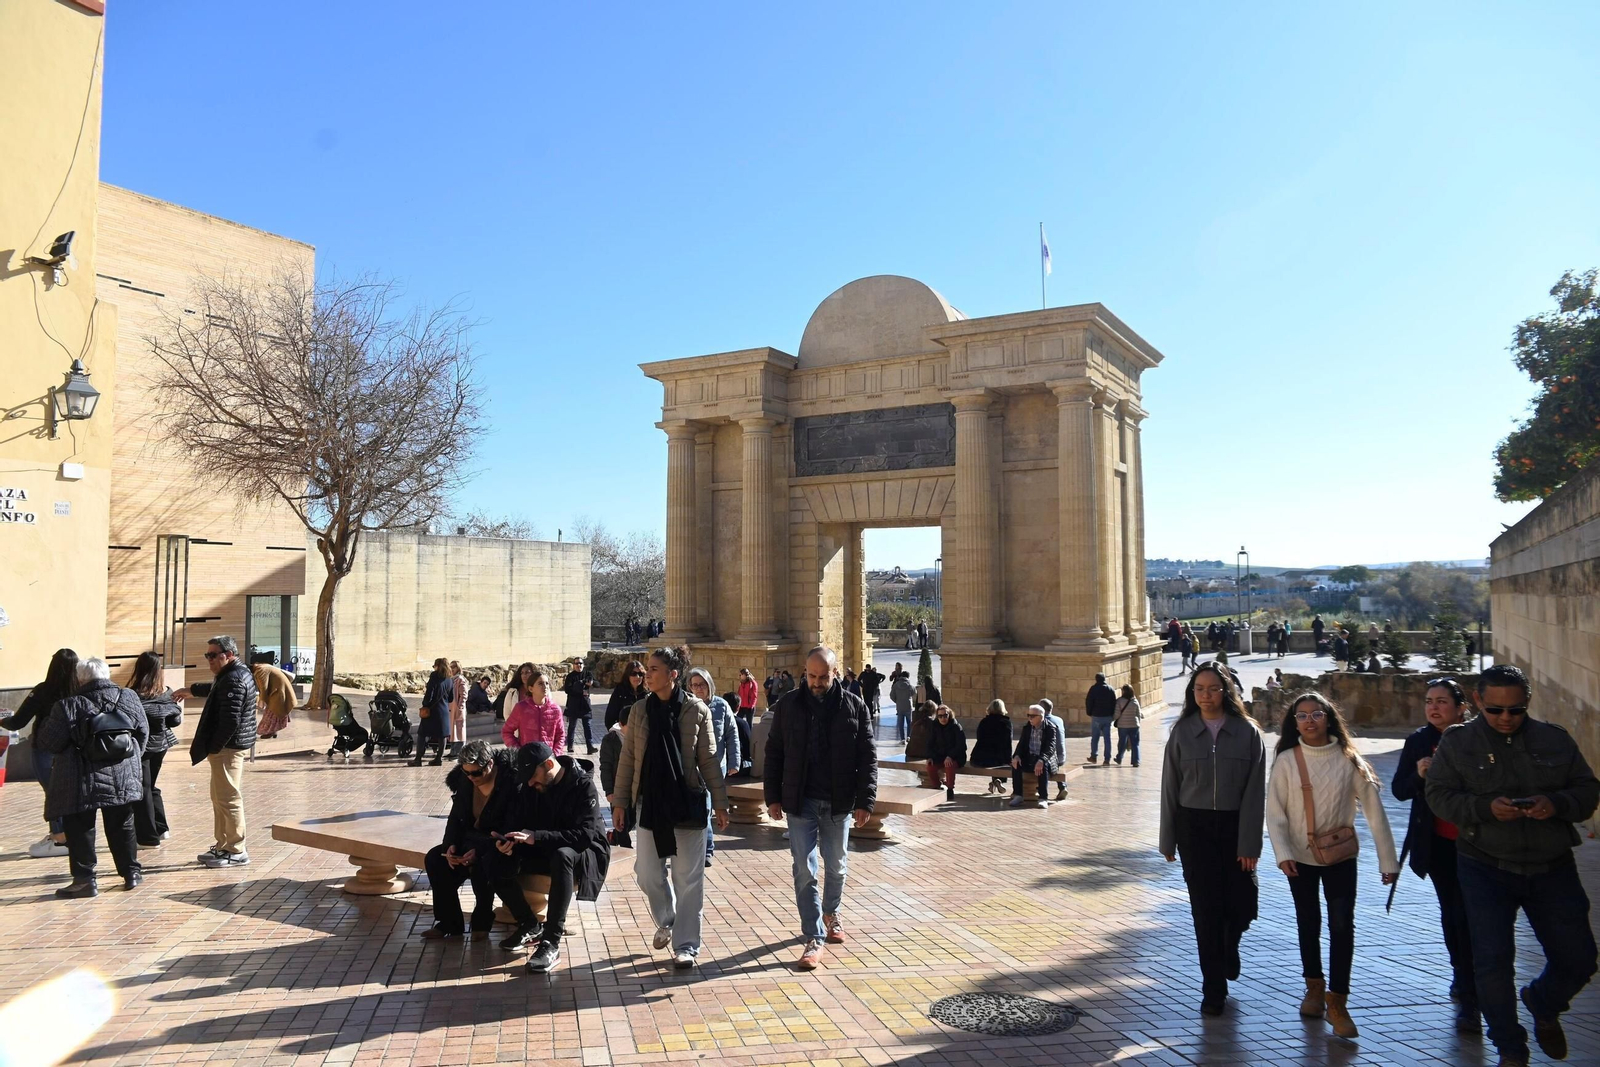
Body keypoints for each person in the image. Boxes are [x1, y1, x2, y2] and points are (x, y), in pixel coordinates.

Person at [1426, 663, 1600, 1067]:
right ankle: (1510, 1047)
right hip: (1485, 865)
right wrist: (1485, 809)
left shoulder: (1553, 740)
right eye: (1496, 710)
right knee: (1492, 961)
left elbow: (1587, 791)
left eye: (1516, 710)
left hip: (1551, 864)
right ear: (1478, 702)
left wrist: (1554, 804)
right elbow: (1439, 795)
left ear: (1527, 704)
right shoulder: (1458, 744)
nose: (1506, 718)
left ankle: (1542, 1001)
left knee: (1579, 958)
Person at [1266, 692, 1400, 1039]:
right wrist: (1283, 853)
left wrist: (1389, 860)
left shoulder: (1348, 758)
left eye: (1316, 714)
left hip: (1341, 856)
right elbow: (1275, 812)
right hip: (1299, 856)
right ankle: (1313, 986)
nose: (1309, 721)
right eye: (1302, 716)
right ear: (1294, 722)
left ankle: (1338, 1000)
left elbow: (1373, 810)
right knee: (1308, 921)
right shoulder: (1286, 761)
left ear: (1328, 717)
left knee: (1342, 924)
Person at [611, 646, 731, 969]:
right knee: (647, 873)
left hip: (688, 805)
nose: (647, 674)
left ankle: (687, 945)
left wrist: (720, 803)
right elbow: (628, 760)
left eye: (653, 669)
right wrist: (620, 801)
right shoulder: (639, 711)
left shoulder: (697, 711)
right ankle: (668, 917)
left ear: (672, 675)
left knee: (688, 879)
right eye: (647, 669)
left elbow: (708, 762)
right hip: (650, 804)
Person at [1158, 665, 1266, 1017]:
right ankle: (1213, 989)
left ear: (1227, 691)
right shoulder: (1182, 733)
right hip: (1195, 828)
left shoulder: (1248, 733)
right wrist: (1167, 840)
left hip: (1236, 826)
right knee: (1205, 911)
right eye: (1200, 689)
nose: (1207, 695)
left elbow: (1255, 794)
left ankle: (1229, 944)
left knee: (1244, 904)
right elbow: (1170, 787)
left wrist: (1250, 844)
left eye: (1214, 688)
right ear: (1192, 693)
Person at [764, 644, 877, 971]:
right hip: (801, 801)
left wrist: (865, 800)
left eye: (823, 676)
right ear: (804, 673)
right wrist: (772, 797)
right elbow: (774, 754)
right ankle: (814, 936)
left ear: (835, 673)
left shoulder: (854, 706)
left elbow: (867, 759)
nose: (816, 682)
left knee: (837, 865)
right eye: (811, 676)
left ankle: (831, 911)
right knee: (804, 868)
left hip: (839, 801)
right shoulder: (788, 706)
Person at [1392, 678, 1480, 1033]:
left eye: (1442, 701)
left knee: (1475, 915)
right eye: (1429, 701)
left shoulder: (1478, 738)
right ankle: (1464, 979)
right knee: (1455, 913)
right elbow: (1399, 790)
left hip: (1481, 844)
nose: (1434, 707)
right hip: (1440, 845)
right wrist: (1418, 773)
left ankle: (1475, 983)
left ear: (1461, 707)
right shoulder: (1418, 741)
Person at [36, 657, 147, 897]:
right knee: (122, 823)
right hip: (122, 774)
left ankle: (85, 880)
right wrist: (128, 759)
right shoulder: (128, 697)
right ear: (106, 675)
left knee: (80, 827)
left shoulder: (68, 705)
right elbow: (143, 733)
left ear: (79, 679)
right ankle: (131, 874)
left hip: (79, 778)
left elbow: (49, 742)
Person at [500, 742, 611, 973]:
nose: (530, 782)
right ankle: (529, 924)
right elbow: (522, 820)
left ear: (549, 764)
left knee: (562, 856)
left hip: (585, 851)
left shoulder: (583, 785)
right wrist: (509, 840)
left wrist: (536, 837)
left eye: (533, 776)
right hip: (547, 844)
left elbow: (583, 836)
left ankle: (551, 942)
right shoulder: (534, 786)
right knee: (495, 857)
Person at [421, 740, 521, 942]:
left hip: (498, 845)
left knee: (483, 863)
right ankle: (449, 922)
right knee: (435, 859)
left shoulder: (511, 783)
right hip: (469, 841)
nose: (471, 777)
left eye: (476, 773)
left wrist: (476, 849)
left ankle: (482, 922)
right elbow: (456, 818)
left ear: (490, 764)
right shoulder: (465, 781)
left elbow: (510, 827)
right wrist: (450, 846)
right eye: (467, 773)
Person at [176, 635, 257, 868]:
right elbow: (213, 690)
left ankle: (236, 849)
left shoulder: (234, 679)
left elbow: (230, 721)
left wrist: (214, 747)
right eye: (207, 655)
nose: (209, 659)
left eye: (213, 655)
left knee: (229, 798)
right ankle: (223, 846)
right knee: (220, 798)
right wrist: (189, 689)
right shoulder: (229, 675)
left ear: (228, 655)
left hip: (228, 749)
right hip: (225, 748)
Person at [1, 648, 79, 858]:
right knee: (71, 792)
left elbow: (19, 720)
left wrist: (2, 721)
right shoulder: (80, 691)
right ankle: (70, 836)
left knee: (53, 793)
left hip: (45, 748)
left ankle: (59, 839)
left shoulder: (43, 690)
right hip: (74, 749)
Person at [686, 668, 739, 868]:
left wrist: (734, 762)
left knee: (707, 807)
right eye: (694, 685)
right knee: (700, 808)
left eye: (702, 684)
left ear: (710, 685)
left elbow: (731, 735)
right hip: (693, 767)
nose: (698, 689)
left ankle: (706, 849)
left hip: (716, 766)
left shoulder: (722, 706)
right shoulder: (687, 706)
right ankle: (698, 847)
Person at [128, 651, 182, 848]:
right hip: (161, 745)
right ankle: (161, 828)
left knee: (143, 788)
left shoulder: (132, 694)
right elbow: (174, 721)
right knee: (151, 786)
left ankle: (147, 837)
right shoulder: (166, 693)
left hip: (141, 746)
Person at [502, 669, 565, 754]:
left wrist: (555, 754)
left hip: (548, 760)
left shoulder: (555, 709)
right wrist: (518, 752)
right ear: (531, 688)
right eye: (540, 683)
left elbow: (561, 735)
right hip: (527, 760)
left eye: (546, 683)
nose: (545, 686)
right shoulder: (521, 708)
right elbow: (506, 731)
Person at [1010, 704, 1059, 808]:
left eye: (1033, 716)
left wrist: (1042, 759)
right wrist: (1017, 755)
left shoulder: (1050, 728)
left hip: (1045, 758)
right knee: (1016, 764)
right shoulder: (1027, 727)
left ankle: (1043, 798)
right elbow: (1021, 744)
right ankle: (1018, 795)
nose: (1030, 718)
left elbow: (1050, 748)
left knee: (1042, 766)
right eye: (1028, 715)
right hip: (1030, 757)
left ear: (1041, 717)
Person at [599, 705, 631, 848]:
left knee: (630, 821)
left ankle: (613, 836)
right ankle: (625, 849)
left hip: (634, 787)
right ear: (621, 724)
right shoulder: (610, 739)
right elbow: (605, 766)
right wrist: (609, 791)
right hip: (617, 789)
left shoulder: (640, 738)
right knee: (621, 823)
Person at [413, 657, 453, 766]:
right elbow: (451, 698)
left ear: (438, 666)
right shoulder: (450, 679)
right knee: (442, 736)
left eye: (434, 666)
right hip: (444, 711)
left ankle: (418, 759)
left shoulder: (434, 676)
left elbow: (429, 694)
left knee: (422, 733)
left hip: (432, 711)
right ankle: (438, 759)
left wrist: (425, 704)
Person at [969, 699, 1013, 795]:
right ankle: (997, 780)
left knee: (993, 758)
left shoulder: (984, 722)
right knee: (1002, 761)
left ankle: (994, 781)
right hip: (998, 758)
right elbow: (1007, 743)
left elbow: (979, 737)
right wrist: (1009, 759)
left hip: (979, 758)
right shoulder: (1006, 723)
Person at [925, 704, 966, 801]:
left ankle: (950, 789)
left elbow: (961, 746)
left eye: (945, 715)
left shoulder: (956, 727)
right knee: (930, 766)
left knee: (949, 765)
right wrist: (930, 756)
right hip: (940, 755)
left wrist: (950, 756)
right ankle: (936, 787)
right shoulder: (934, 727)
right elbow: (929, 743)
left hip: (956, 756)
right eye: (940, 716)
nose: (943, 718)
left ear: (949, 715)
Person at [250, 655, 296, 741]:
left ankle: (268, 732)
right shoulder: (264, 667)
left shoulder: (260, 671)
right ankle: (272, 731)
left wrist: (261, 701)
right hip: (280, 691)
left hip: (279, 693)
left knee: (272, 713)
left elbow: (263, 687)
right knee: (273, 714)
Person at [562, 657, 597, 755]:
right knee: (572, 726)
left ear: (583, 664)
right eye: (577, 663)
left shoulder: (588, 674)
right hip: (574, 704)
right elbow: (567, 690)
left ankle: (590, 746)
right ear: (574, 665)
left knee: (588, 726)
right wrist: (580, 685)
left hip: (585, 705)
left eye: (580, 663)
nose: (579, 665)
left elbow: (597, 683)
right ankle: (570, 746)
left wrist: (591, 683)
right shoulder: (570, 676)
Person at [1038, 698, 1069, 799]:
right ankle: (1062, 787)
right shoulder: (1059, 719)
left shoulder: (1043, 721)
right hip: (1062, 756)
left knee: (1039, 760)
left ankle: (1038, 789)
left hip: (1053, 758)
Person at [1085, 673, 1116, 766]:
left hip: (1096, 716)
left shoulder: (1093, 689)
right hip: (1107, 717)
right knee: (1107, 739)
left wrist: (1089, 712)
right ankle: (1107, 759)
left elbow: (1089, 701)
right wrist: (1112, 714)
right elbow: (1114, 702)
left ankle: (1094, 756)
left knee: (1095, 738)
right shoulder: (1110, 689)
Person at [606, 660, 645, 729]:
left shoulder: (647, 692)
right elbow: (610, 717)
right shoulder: (620, 691)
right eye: (634, 673)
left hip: (642, 734)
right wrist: (618, 733)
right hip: (623, 734)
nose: (637, 677)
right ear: (628, 675)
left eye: (640, 674)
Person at [1113, 684, 1143, 767]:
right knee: (1135, 744)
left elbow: (1117, 714)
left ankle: (1119, 758)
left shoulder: (1119, 701)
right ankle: (1136, 761)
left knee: (1122, 742)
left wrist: (1113, 719)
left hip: (1123, 725)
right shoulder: (1135, 701)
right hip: (1134, 725)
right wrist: (1138, 723)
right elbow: (1138, 714)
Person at [448, 660, 467, 758]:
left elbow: (463, 694)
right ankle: (452, 751)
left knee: (459, 730)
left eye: (454, 667)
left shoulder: (460, 679)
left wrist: (460, 706)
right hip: (451, 708)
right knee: (452, 730)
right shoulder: (451, 679)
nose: (452, 669)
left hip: (458, 709)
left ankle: (458, 752)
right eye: (450, 667)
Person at [889, 670, 915, 742]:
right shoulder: (910, 686)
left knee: (900, 723)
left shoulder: (896, 685)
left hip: (899, 706)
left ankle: (902, 738)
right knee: (909, 722)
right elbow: (914, 693)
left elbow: (891, 695)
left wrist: (897, 701)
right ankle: (909, 736)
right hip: (908, 706)